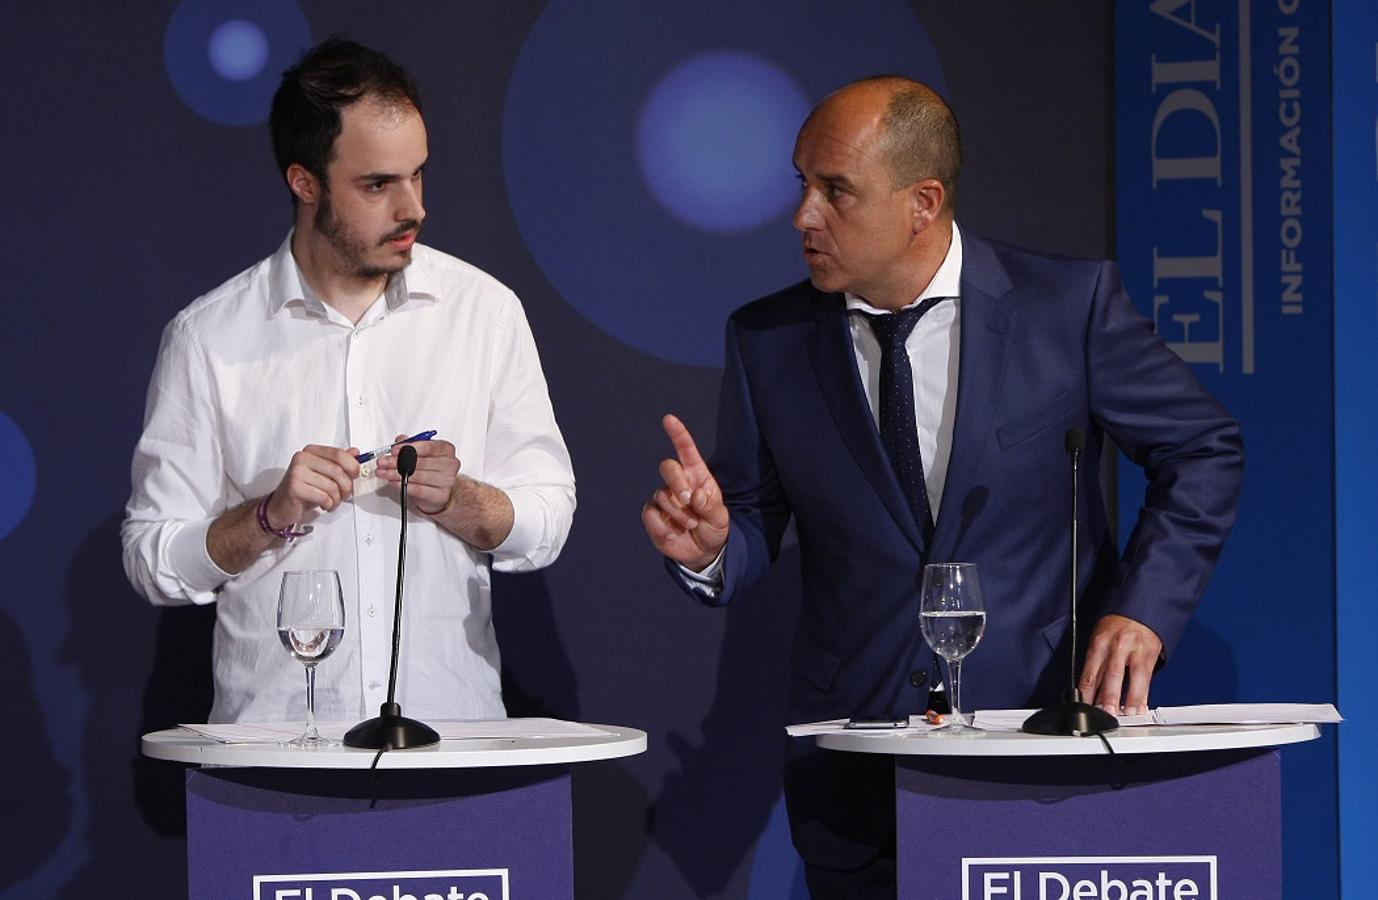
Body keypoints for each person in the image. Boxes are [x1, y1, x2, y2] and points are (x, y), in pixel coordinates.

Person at [642, 76, 1242, 898]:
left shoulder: (1068, 309)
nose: (802, 217)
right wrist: (713, 549)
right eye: (801, 183)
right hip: (859, 772)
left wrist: (1143, 608)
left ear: (922, 202)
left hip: (1040, 743)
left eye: (835, 190)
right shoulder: (768, 340)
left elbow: (1204, 448)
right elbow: (750, 524)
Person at [122, 39, 575, 726]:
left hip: (450, 744)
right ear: (305, 183)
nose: (413, 208)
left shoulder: (484, 312)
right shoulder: (209, 336)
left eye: (418, 175)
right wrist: (268, 518)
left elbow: (548, 521)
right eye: (377, 185)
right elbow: (152, 559)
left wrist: (458, 499)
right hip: (275, 754)